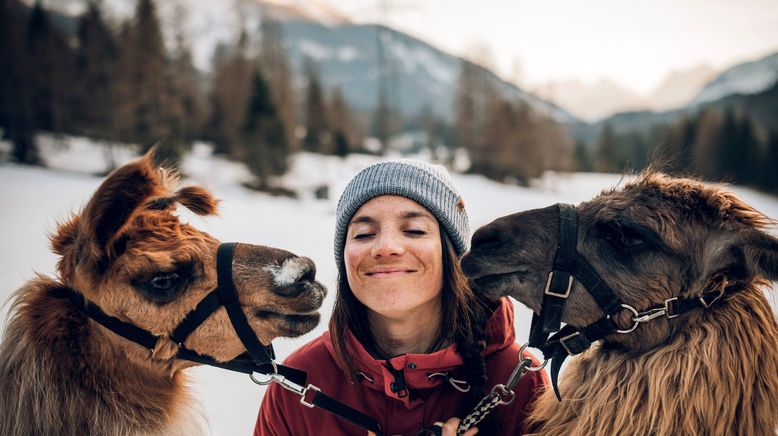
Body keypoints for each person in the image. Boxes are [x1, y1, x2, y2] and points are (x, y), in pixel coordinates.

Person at [254, 160, 547, 435]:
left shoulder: (519, 383)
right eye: (364, 234)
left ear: (453, 257)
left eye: (414, 230)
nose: (386, 247)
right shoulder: (300, 382)